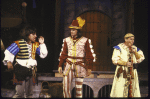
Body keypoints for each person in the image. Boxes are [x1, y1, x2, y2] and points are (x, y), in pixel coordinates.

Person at [3, 26, 48, 98]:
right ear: (28, 34)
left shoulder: (35, 45)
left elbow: (43, 55)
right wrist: (9, 62)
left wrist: (42, 44)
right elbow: (8, 52)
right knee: (19, 93)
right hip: (20, 70)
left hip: (31, 71)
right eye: (33, 34)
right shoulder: (19, 43)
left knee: (30, 94)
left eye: (35, 34)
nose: (35, 36)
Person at [58, 17, 96, 98]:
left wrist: (89, 68)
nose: (71, 31)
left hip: (80, 66)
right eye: (71, 30)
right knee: (65, 87)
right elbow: (63, 54)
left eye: (74, 30)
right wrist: (60, 65)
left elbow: (89, 55)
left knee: (78, 90)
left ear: (78, 31)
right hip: (68, 65)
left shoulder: (85, 40)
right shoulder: (66, 40)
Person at [110, 33, 145, 97]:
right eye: (130, 39)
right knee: (120, 89)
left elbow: (141, 58)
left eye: (133, 39)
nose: (132, 41)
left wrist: (135, 52)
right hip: (123, 71)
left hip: (132, 72)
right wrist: (125, 63)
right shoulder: (119, 48)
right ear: (125, 39)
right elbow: (114, 59)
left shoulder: (135, 48)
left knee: (133, 89)